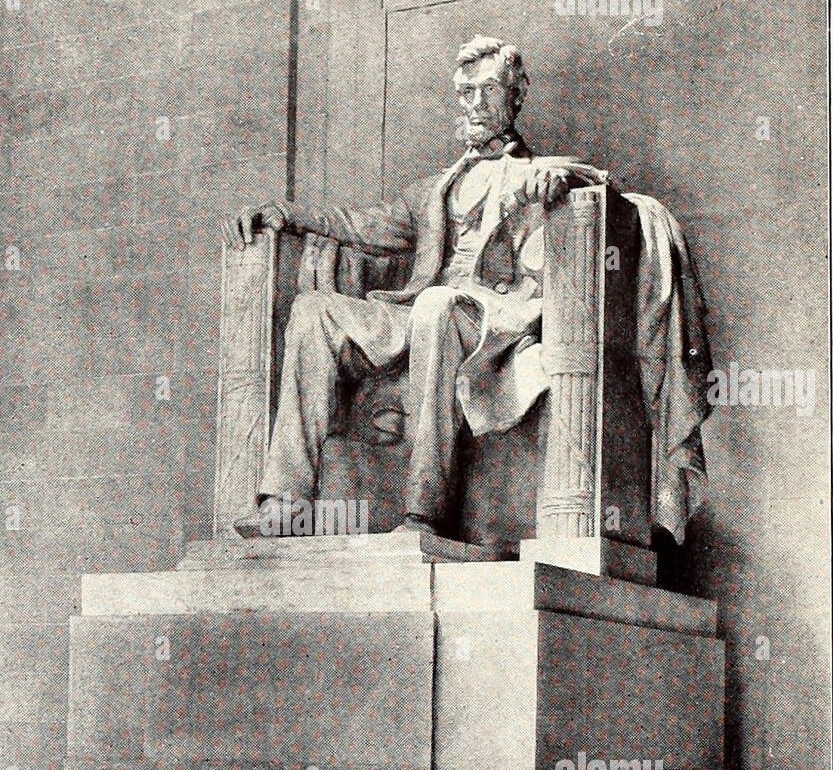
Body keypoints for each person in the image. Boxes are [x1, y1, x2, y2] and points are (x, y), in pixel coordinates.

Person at [223, 35, 606, 538]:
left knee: (438, 307)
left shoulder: (534, 172)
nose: (475, 103)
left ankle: (423, 513)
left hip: (488, 317)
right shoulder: (434, 190)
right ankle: (285, 502)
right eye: (466, 91)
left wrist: (557, 179)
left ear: (515, 96)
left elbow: (592, 181)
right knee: (314, 311)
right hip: (422, 312)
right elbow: (359, 224)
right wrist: (289, 214)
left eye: (488, 90)